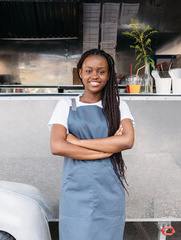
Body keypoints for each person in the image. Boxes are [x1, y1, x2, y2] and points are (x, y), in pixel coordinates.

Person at [48, 49, 135, 240]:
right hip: (75, 191)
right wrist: (107, 149)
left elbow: (127, 140)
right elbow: (57, 146)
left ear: (109, 74)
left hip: (109, 189)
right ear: (80, 72)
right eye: (89, 71)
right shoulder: (66, 105)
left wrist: (78, 142)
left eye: (101, 71)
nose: (94, 76)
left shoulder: (118, 105)